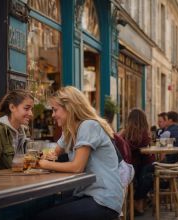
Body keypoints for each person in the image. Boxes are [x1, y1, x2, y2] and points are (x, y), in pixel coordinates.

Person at [37, 86, 123, 220]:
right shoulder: (69, 131)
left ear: (69, 107)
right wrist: (42, 156)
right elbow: (52, 153)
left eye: (55, 110)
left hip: (104, 199)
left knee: (42, 217)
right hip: (86, 194)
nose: (53, 115)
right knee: (42, 210)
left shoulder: (88, 126)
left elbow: (77, 167)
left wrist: (44, 164)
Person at [119, 108, 153, 215]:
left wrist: (122, 134)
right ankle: (139, 201)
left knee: (140, 173)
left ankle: (137, 202)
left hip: (130, 166)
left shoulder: (128, 133)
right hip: (140, 166)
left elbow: (117, 142)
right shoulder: (145, 134)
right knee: (146, 171)